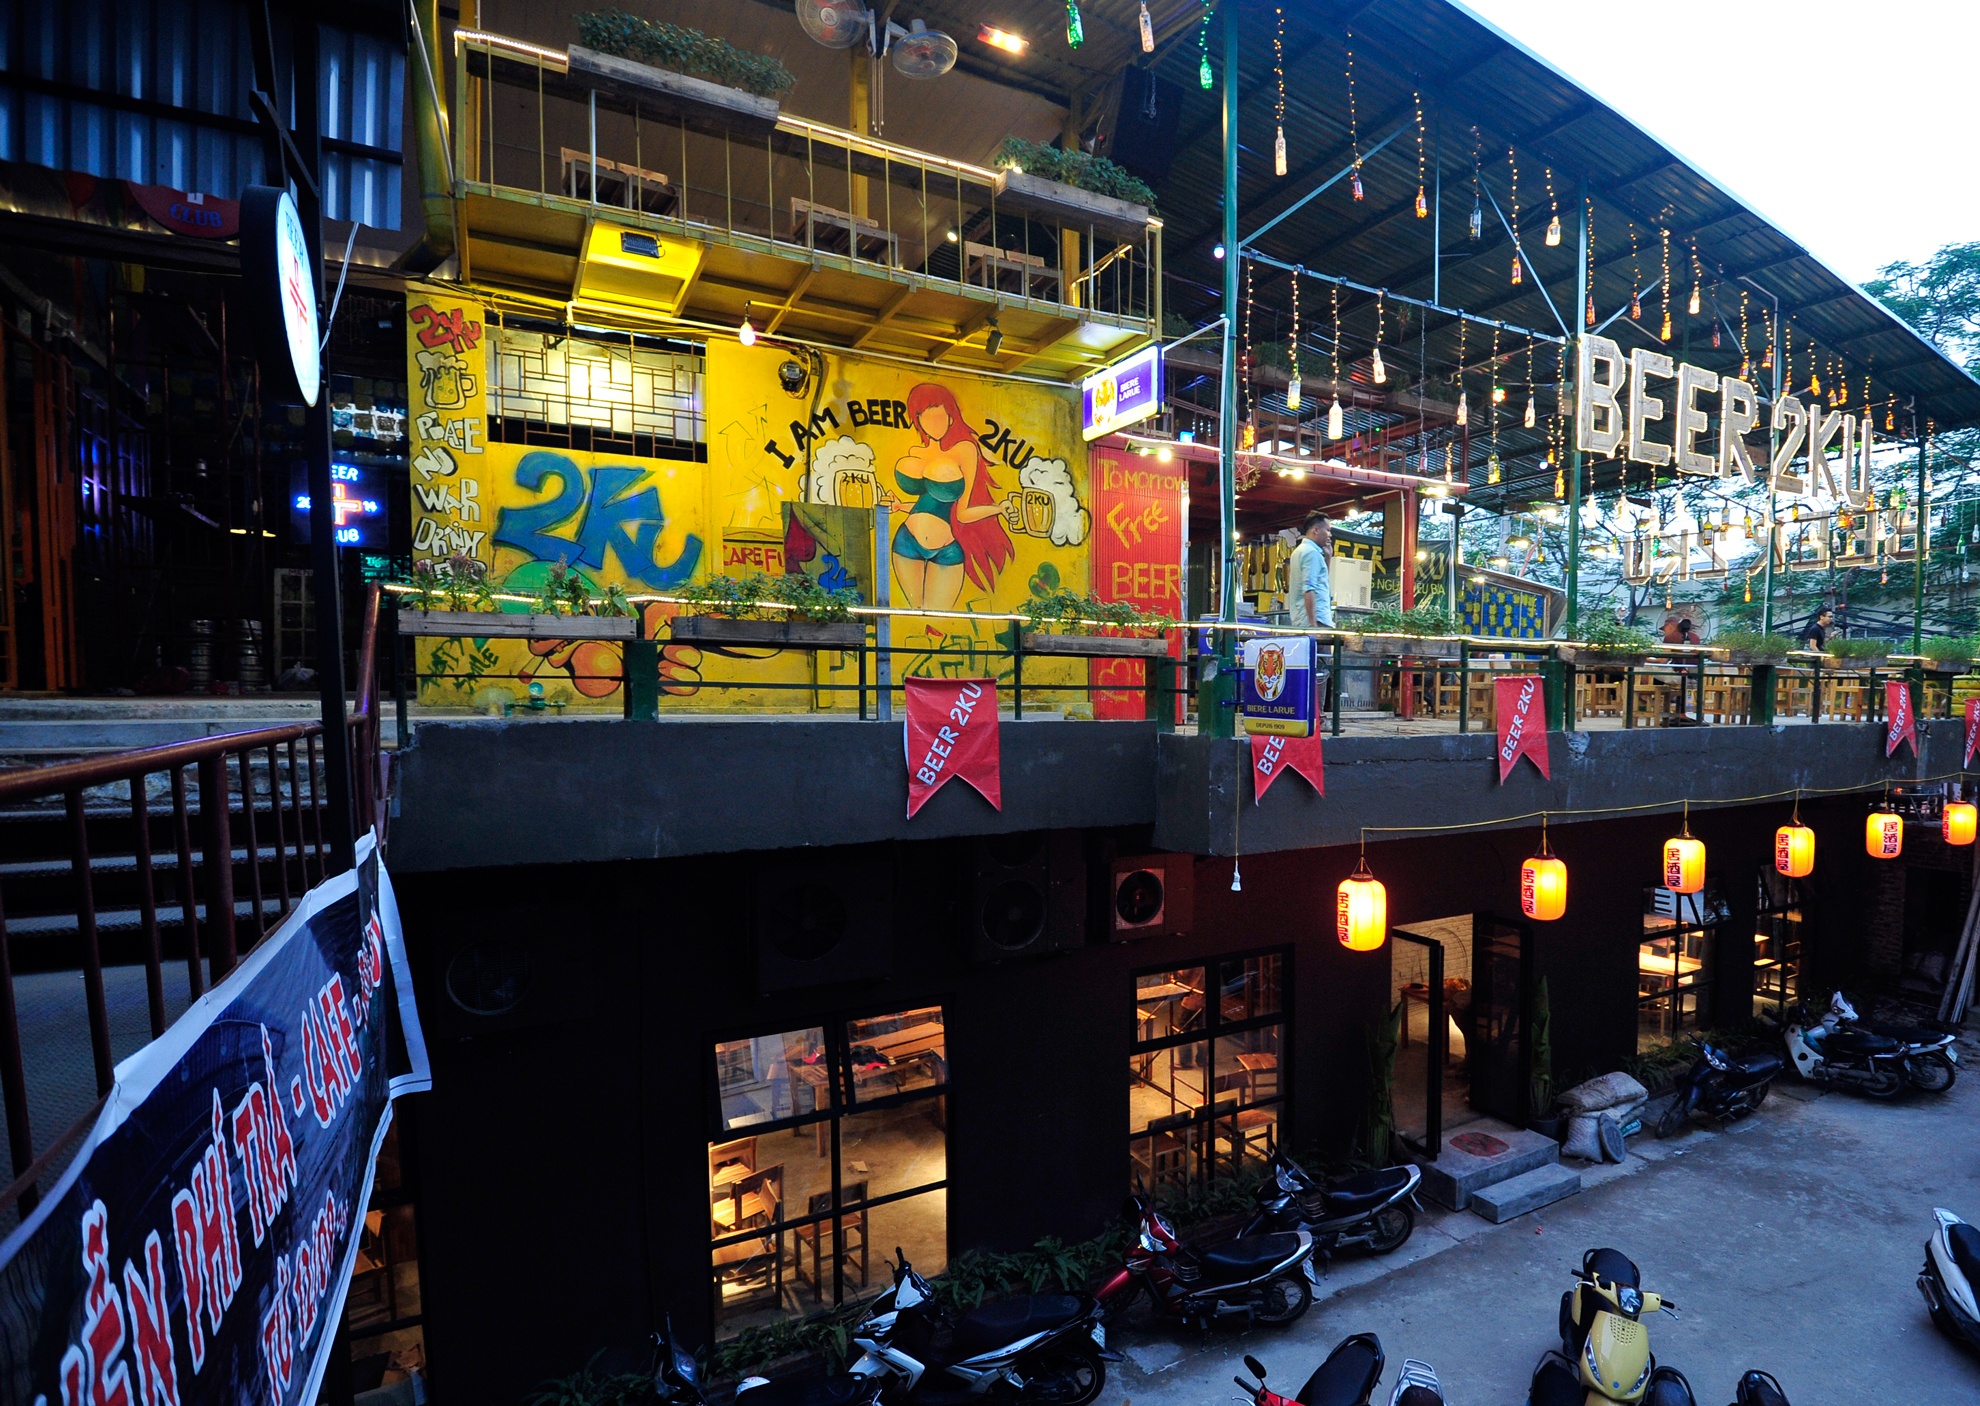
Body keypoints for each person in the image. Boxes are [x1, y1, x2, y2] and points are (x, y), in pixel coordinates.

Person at [882, 383, 1014, 613]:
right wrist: (900, 506)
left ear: (951, 418)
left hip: (946, 549)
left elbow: (961, 513)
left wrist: (998, 509)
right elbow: (927, 504)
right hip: (906, 541)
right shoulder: (917, 453)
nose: (932, 424)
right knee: (913, 614)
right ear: (918, 420)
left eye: (939, 417)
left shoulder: (965, 450)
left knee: (939, 619)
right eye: (924, 417)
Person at [1287, 510, 1334, 630]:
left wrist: (1328, 557)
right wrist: (1313, 625)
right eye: (1328, 530)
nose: (1330, 535)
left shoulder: (1300, 551)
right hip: (1316, 620)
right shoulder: (1311, 553)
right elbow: (1309, 588)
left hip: (1306, 619)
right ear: (1316, 530)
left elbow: (1320, 581)